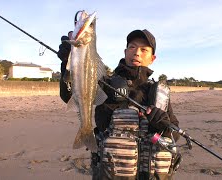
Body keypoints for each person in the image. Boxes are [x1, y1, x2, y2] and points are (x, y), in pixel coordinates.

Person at [57, 29, 181, 180]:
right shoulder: (105, 83)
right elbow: (70, 95)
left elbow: (175, 134)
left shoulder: (159, 93)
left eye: (144, 50)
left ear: (152, 58)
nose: (137, 53)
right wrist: (68, 64)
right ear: (125, 51)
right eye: (132, 47)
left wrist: (164, 126)